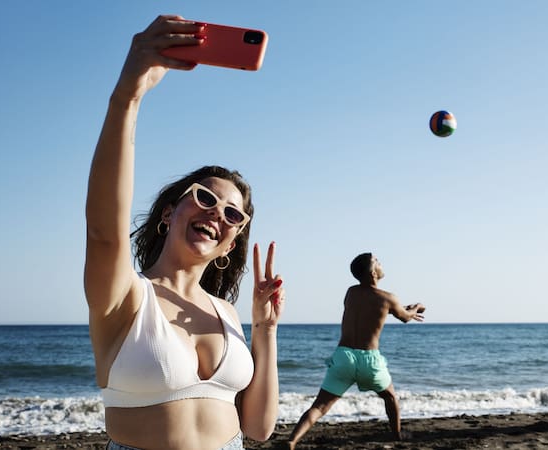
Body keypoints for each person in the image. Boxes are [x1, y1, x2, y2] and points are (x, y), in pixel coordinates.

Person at [84, 15, 285, 449]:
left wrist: (265, 331)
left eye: (234, 216)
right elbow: (104, 232)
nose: (218, 215)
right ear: (169, 213)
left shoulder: (226, 313)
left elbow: (258, 429)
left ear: (231, 242)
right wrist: (127, 98)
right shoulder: (125, 295)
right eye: (206, 199)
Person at [286, 253, 426, 449]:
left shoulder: (351, 292)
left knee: (319, 406)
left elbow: (374, 308)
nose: (381, 262)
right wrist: (416, 307)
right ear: (372, 272)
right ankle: (397, 434)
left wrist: (401, 309)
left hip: (344, 357)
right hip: (370, 360)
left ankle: (292, 441)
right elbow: (403, 317)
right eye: (377, 261)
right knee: (390, 397)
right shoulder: (388, 298)